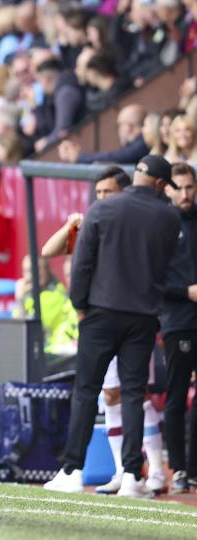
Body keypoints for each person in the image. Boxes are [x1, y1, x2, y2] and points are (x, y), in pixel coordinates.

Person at [44, 155, 180, 498]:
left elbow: (83, 262)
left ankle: (72, 471)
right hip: (143, 315)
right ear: (162, 184)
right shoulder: (168, 215)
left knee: (86, 391)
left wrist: (79, 307)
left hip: (100, 313)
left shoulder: (102, 209)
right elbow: (166, 268)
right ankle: (133, 476)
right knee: (134, 394)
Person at [160, 162, 197, 494]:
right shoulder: (161, 224)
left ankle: (194, 467)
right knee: (176, 395)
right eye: (180, 187)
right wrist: (186, 292)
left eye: (190, 187)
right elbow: (152, 279)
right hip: (177, 322)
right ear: (168, 188)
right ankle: (179, 468)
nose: (186, 194)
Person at [57, 105, 149, 165]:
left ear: (129, 127)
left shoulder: (143, 143)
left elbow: (114, 157)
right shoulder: (137, 144)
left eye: (119, 125)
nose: (118, 130)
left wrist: (79, 157)